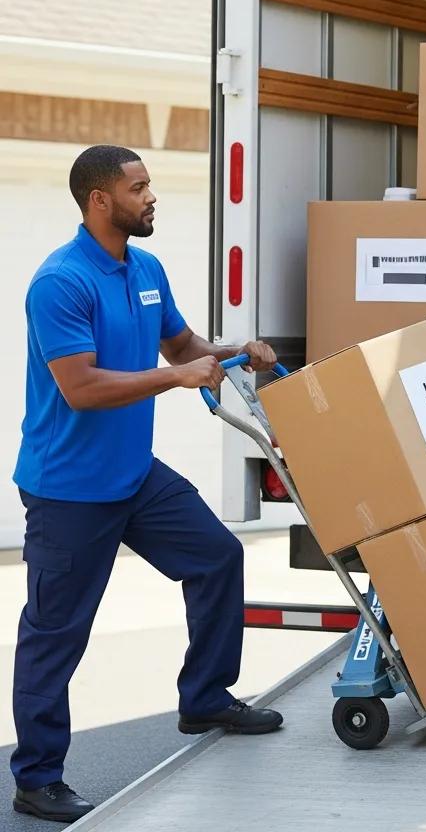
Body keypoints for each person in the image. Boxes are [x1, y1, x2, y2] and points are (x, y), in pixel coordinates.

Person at [11, 145, 284, 824]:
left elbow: (182, 348)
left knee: (218, 558)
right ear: (101, 201)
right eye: (138, 188)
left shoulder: (147, 269)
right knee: (56, 635)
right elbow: (81, 388)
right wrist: (176, 378)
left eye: (150, 185)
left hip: (133, 478)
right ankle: (37, 777)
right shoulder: (60, 283)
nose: (151, 196)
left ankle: (205, 698)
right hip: (69, 491)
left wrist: (232, 350)